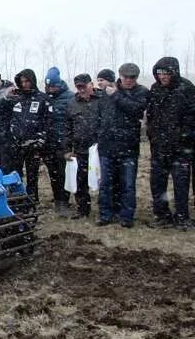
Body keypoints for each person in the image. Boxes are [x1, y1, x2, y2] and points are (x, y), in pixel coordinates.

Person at [96, 62, 149, 228]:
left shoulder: (141, 92)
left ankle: (126, 217)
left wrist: (116, 95)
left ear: (136, 78)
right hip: (107, 146)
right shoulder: (106, 92)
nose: (128, 80)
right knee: (105, 184)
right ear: (120, 76)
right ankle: (106, 214)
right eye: (125, 77)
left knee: (128, 185)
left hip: (128, 147)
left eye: (132, 77)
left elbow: (136, 109)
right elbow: (100, 116)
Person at [145, 56, 195, 230]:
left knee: (181, 185)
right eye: (159, 73)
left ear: (174, 72)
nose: (163, 77)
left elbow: (192, 117)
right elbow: (150, 116)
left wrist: (182, 137)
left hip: (180, 149)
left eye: (166, 73)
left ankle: (182, 218)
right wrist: (152, 135)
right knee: (157, 183)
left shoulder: (187, 89)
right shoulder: (155, 89)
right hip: (159, 147)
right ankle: (162, 216)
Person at [5, 69, 53, 204]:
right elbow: (7, 116)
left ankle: (32, 201)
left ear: (32, 81)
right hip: (16, 143)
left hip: (34, 144)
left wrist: (40, 140)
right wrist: (8, 96)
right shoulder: (16, 99)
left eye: (27, 81)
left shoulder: (43, 99)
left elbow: (48, 122)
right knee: (16, 174)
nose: (25, 84)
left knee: (32, 175)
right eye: (22, 82)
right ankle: (17, 200)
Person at [64, 73, 101, 219]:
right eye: (78, 87)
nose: (81, 90)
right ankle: (82, 209)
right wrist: (67, 149)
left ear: (91, 84)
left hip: (99, 149)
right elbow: (67, 128)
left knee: (103, 180)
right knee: (80, 180)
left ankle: (105, 211)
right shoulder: (72, 103)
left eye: (84, 86)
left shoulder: (102, 100)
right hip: (80, 149)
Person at [43, 67, 73, 216]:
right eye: (49, 86)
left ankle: (64, 201)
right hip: (49, 143)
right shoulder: (45, 98)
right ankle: (57, 200)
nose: (51, 88)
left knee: (63, 174)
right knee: (53, 174)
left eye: (53, 85)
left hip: (63, 143)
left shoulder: (69, 98)